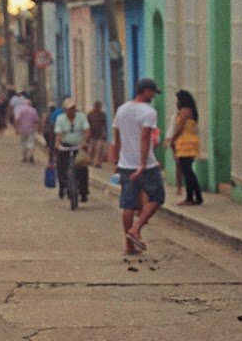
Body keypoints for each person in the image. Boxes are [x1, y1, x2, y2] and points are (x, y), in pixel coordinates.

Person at [112, 78, 165, 255]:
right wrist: (142, 164)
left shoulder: (121, 109)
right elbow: (145, 138)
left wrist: (116, 161)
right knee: (157, 196)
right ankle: (136, 229)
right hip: (146, 164)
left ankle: (128, 245)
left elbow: (117, 137)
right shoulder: (149, 112)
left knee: (128, 202)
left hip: (125, 163)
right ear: (145, 91)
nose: (153, 96)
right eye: (152, 92)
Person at [169, 90, 203, 206]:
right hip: (189, 142)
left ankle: (190, 197)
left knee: (187, 172)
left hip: (185, 143)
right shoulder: (191, 110)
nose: (176, 102)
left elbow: (179, 128)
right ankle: (197, 196)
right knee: (189, 172)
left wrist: (172, 139)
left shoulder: (184, 111)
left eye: (178, 100)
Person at [54, 98, 91, 202]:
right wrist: (58, 143)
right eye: (69, 109)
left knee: (82, 168)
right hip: (65, 145)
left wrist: (85, 142)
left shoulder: (82, 117)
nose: (71, 111)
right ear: (65, 110)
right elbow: (59, 134)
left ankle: (84, 192)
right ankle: (62, 187)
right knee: (61, 166)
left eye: (73, 108)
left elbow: (87, 131)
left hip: (79, 146)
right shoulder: (60, 119)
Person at [14, 96, 40, 164]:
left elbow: (17, 120)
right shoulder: (33, 110)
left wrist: (16, 128)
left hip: (22, 129)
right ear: (30, 104)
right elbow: (36, 120)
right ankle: (31, 155)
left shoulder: (20, 110)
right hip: (31, 130)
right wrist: (38, 128)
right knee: (31, 143)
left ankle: (24, 157)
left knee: (23, 143)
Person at [87, 101, 108, 167]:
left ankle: (97, 163)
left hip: (100, 135)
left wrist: (104, 133)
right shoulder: (90, 115)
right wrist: (88, 134)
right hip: (92, 134)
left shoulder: (102, 115)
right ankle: (90, 161)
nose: (98, 108)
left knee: (99, 150)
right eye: (97, 106)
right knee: (91, 149)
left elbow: (104, 125)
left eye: (99, 107)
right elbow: (87, 125)